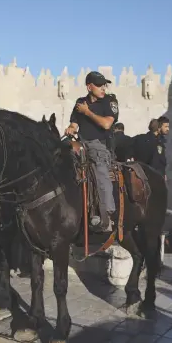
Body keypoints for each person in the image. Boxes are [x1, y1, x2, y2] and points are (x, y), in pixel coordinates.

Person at [64, 71, 117, 232]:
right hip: (80, 143)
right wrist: (71, 128)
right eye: (99, 85)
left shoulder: (109, 101)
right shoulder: (80, 102)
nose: (103, 88)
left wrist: (87, 112)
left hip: (99, 145)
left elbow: (107, 124)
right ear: (89, 87)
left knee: (100, 170)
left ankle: (106, 215)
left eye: (104, 85)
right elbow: (74, 123)